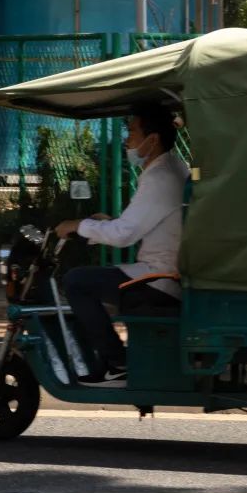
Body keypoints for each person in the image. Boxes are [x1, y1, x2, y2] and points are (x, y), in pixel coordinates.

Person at [55, 104, 188, 387]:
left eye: (132, 132)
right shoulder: (173, 167)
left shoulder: (161, 177)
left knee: (76, 281)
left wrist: (77, 226)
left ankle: (117, 364)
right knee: (95, 278)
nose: (127, 139)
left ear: (152, 140)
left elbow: (123, 235)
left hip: (159, 279)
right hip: (164, 271)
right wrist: (106, 223)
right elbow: (138, 223)